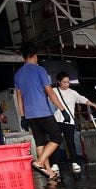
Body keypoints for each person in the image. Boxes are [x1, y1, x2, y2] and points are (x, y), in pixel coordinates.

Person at [14, 43, 70, 181]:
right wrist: (63, 110)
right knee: (57, 137)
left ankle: (49, 172)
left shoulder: (18, 74)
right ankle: (39, 162)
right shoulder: (40, 70)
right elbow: (49, 91)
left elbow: (19, 97)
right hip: (43, 111)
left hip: (30, 115)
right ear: (34, 56)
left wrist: (22, 116)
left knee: (40, 142)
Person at [51, 72, 96, 173]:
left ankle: (74, 162)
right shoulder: (53, 91)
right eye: (64, 82)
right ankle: (55, 164)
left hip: (69, 120)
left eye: (68, 82)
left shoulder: (72, 92)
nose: (67, 84)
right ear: (58, 82)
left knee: (70, 142)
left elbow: (83, 99)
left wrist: (94, 105)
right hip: (56, 120)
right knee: (56, 142)